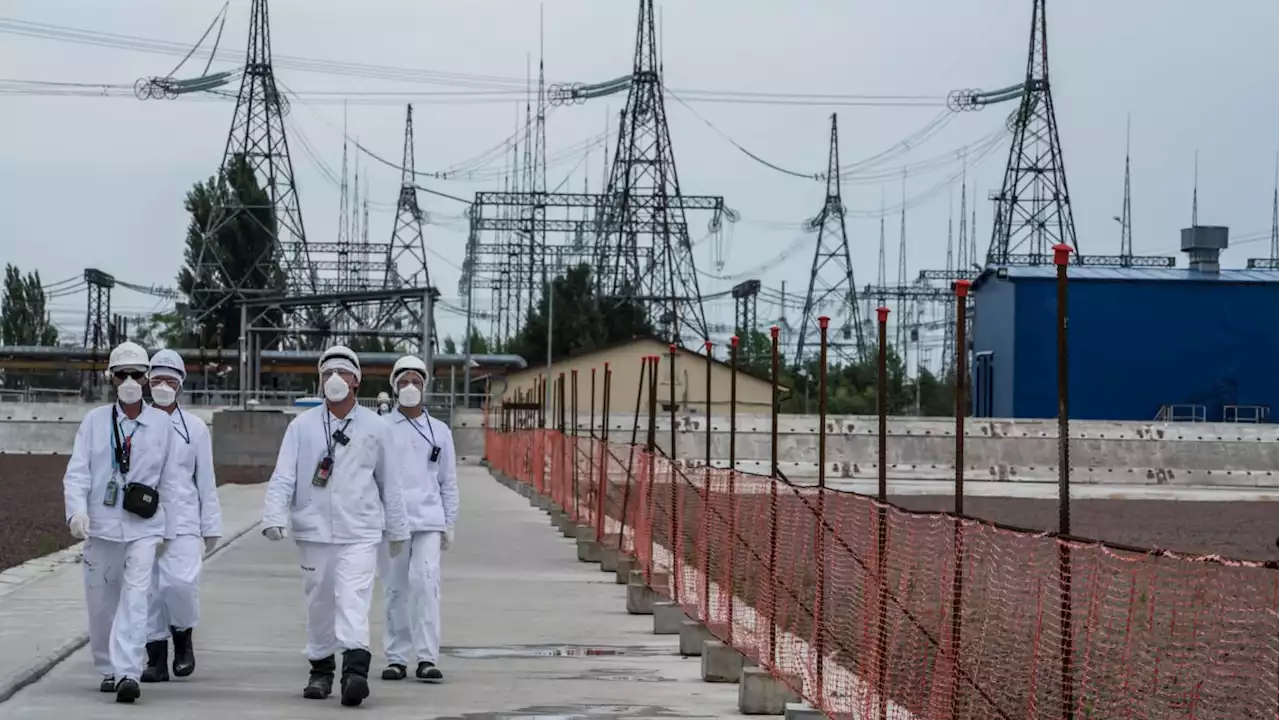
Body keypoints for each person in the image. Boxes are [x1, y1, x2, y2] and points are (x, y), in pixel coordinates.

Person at [261, 344, 409, 707]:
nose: (335, 380)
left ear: (357, 381)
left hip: (359, 530)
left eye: (343, 373)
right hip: (314, 530)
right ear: (319, 380)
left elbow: (391, 483)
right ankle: (321, 669)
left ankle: (355, 671)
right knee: (319, 601)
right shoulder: (302, 427)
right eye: (328, 373)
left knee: (353, 599)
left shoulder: (376, 427)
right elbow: (284, 476)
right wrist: (273, 516)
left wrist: (398, 530)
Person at [63, 340, 184, 704]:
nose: (129, 380)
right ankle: (108, 667)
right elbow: (77, 473)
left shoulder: (161, 424)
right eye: (122, 374)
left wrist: (170, 530)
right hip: (100, 526)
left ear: (146, 378)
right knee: (102, 603)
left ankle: (128, 672)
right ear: (111, 378)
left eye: (136, 373)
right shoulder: (94, 422)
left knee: (135, 599)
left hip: (143, 527)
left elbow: (171, 481)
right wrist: (75, 511)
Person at [140, 349, 223, 683]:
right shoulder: (134, 422)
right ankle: (155, 659)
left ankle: (183, 637)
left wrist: (211, 525)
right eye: (156, 379)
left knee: (181, 584)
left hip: (185, 520)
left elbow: (206, 480)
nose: (162, 385)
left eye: (169, 380)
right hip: (142, 522)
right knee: (149, 593)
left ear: (180, 385)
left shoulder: (195, 428)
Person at [377, 355, 459, 683]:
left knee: (426, 585)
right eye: (404, 381)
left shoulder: (439, 431)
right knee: (395, 589)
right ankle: (396, 657)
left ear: (424, 386)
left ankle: (426, 657)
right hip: (393, 523)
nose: (410, 386)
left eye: (416, 381)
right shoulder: (381, 428)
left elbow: (448, 480)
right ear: (394, 386)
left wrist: (449, 521)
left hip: (428, 521)